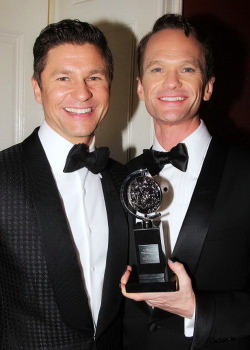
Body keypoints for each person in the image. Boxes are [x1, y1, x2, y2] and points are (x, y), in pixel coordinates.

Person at [120, 14, 250, 350]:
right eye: (157, 68)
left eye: (187, 69)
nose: (172, 82)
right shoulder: (117, 176)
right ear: (140, 86)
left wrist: (197, 309)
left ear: (208, 86)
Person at [0, 19, 127, 349]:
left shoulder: (124, 179)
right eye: (63, 78)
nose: (82, 92)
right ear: (37, 88)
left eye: (94, 78)